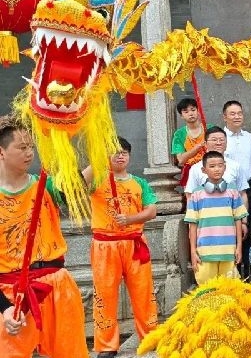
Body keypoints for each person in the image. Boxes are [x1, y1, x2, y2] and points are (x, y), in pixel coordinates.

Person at [0, 116, 89, 358]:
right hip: (10, 292)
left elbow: (75, 188)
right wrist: (4, 309)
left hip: (56, 284)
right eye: (22, 147)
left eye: (31, 146)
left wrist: (97, 154)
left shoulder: (45, 186)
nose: (29, 153)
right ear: (1, 152)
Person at [83, 138, 158, 357]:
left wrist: (130, 219)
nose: (120, 155)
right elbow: (78, 184)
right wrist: (97, 158)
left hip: (135, 243)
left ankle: (150, 337)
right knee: (104, 295)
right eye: (115, 152)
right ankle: (106, 345)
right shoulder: (96, 180)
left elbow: (151, 210)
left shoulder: (139, 182)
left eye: (124, 152)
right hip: (105, 245)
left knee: (144, 293)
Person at [184, 151, 248, 285]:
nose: (217, 169)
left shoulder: (233, 191)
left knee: (229, 288)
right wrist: (193, 252)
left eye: (220, 165)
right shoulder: (196, 194)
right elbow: (193, 225)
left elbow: (238, 219)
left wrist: (239, 247)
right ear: (204, 170)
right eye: (212, 166)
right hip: (205, 252)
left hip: (228, 250)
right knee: (206, 288)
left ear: (225, 167)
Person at [185, 127, 250, 209]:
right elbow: (190, 196)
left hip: (230, 215)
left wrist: (244, 216)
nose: (218, 143)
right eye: (214, 140)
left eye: (222, 140)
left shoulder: (236, 166)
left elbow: (242, 194)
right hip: (205, 215)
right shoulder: (196, 168)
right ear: (205, 144)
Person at [172, 98, 210, 191]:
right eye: (186, 112)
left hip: (210, 168)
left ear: (198, 111)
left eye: (193, 110)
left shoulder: (209, 129)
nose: (191, 113)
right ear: (181, 116)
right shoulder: (179, 134)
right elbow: (181, 160)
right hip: (190, 171)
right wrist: (197, 148)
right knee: (192, 197)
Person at [222, 100, 251, 181]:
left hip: (249, 184)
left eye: (239, 113)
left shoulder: (249, 137)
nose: (237, 117)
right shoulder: (219, 138)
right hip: (228, 184)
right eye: (232, 114)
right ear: (225, 117)